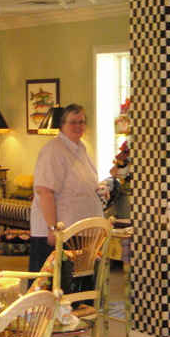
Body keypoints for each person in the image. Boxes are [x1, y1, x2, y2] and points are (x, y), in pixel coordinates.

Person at [29, 103, 105, 273]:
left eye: (81, 122)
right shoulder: (54, 150)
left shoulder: (80, 149)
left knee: (79, 283)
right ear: (62, 124)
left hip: (81, 232)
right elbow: (45, 191)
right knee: (54, 283)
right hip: (60, 234)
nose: (78, 126)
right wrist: (52, 228)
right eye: (73, 122)